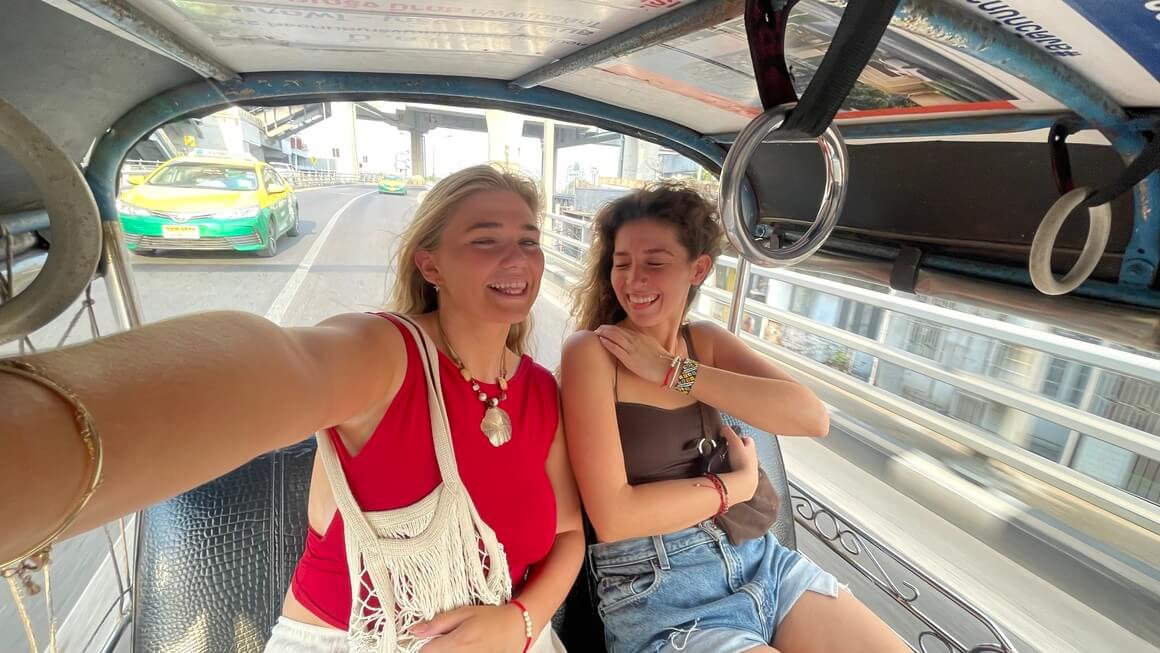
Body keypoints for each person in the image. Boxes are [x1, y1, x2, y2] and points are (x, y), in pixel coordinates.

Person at [1, 164, 582, 653]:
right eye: (486, 239)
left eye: (528, 240)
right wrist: (37, 435)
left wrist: (522, 621)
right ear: (431, 266)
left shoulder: (539, 389)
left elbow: (568, 534)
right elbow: (281, 364)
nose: (517, 258)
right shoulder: (384, 353)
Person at [560, 183, 908, 653]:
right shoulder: (593, 353)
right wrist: (734, 489)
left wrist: (674, 372)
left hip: (762, 562)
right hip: (661, 591)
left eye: (655, 263)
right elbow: (617, 517)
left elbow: (811, 418)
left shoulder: (704, 343)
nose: (634, 280)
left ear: (698, 268)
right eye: (623, 263)